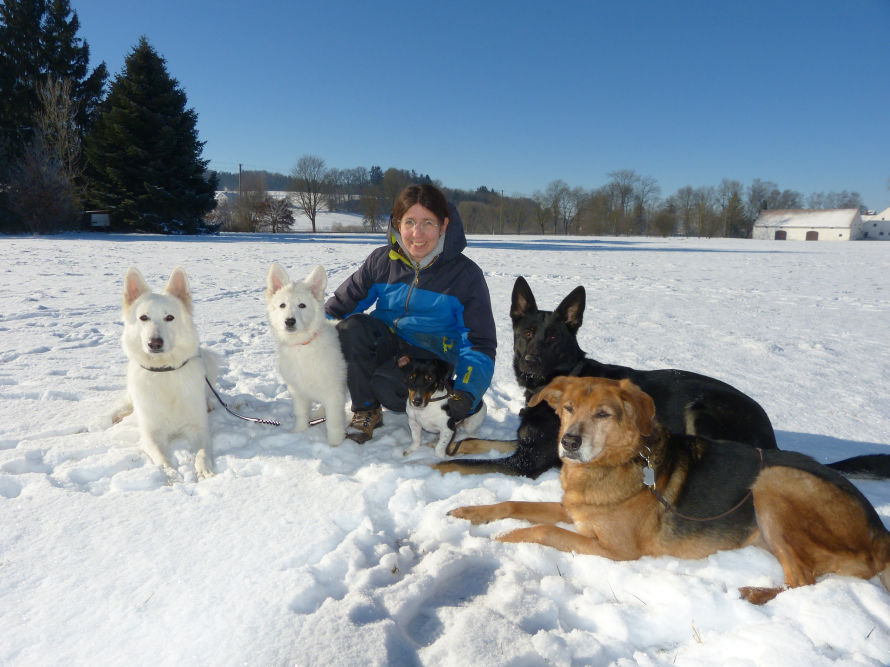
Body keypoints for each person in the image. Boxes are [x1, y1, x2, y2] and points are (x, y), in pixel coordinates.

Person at [325, 183, 497, 443]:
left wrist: (467, 391)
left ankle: (417, 395)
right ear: (397, 223)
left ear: (444, 225)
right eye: (409, 222)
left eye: (428, 222)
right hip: (390, 343)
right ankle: (366, 410)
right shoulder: (381, 261)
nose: (417, 233)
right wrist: (305, 337)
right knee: (352, 327)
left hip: (431, 356)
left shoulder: (466, 276)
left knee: (391, 389)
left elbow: (480, 344)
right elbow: (340, 306)